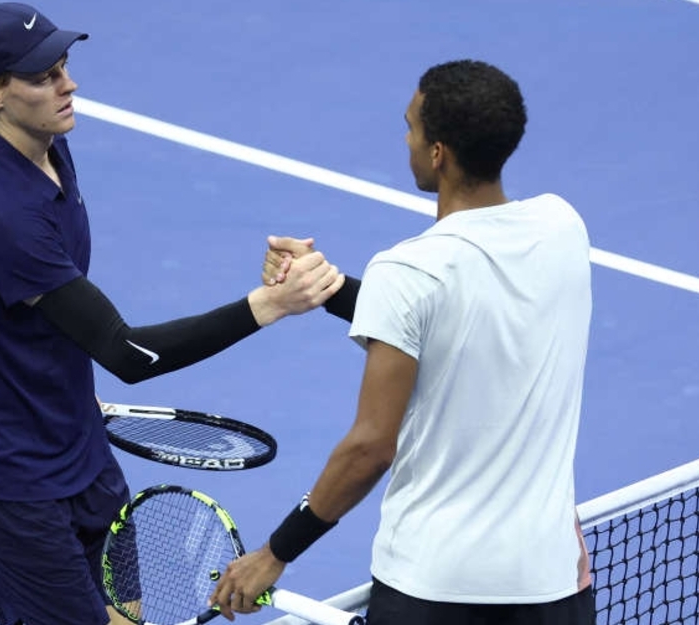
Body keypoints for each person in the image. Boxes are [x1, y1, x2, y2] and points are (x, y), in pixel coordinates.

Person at [0, 4, 346, 624]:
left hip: (79, 448)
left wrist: (56, 390)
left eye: (64, 65)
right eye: (44, 77)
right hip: (8, 481)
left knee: (128, 617)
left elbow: (43, 319)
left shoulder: (47, 152)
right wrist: (270, 305)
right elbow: (128, 354)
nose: (67, 85)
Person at [210, 59, 596, 625]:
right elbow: (454, 308)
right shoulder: (563, 227)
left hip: (435, 589)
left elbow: (370, 447)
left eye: (411, 127)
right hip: (551, 586)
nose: (406, 139)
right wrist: (327, 285)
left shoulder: (408, 271)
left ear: (437, 153)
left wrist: (275, 553)